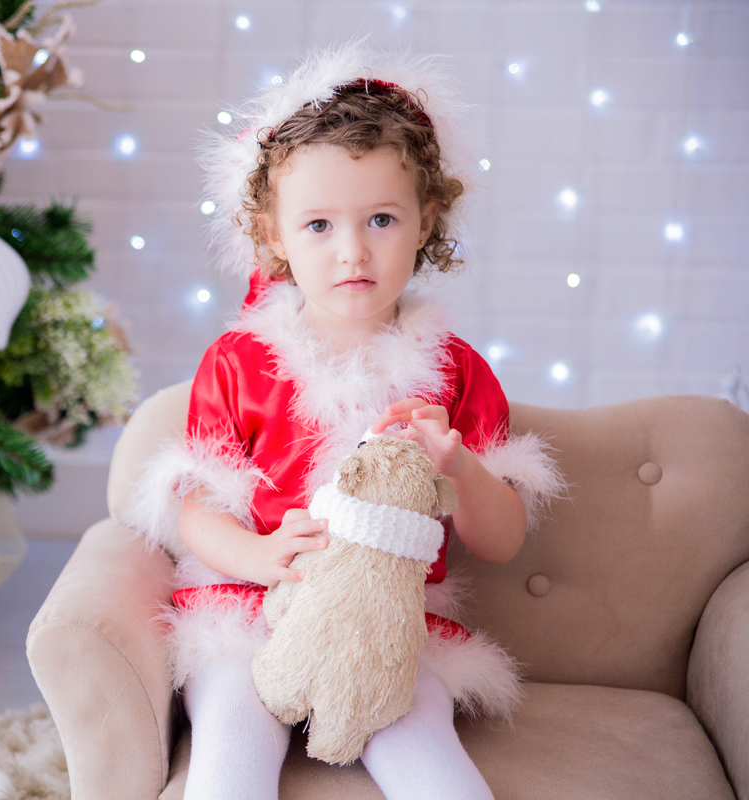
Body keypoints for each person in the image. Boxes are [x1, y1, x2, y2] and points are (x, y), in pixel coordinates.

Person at [123, 41, 566, 800]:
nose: (353, 251)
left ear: (426, 221)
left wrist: (459, 468)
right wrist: (257, 554)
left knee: (426, 750)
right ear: (275, 235)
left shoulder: (454, 370)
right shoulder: (239, 361)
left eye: (381, 219)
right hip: (251, 610)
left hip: (385, 622)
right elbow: (196, 509)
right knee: (231, 734)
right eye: (319, 225)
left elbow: (500, 540)